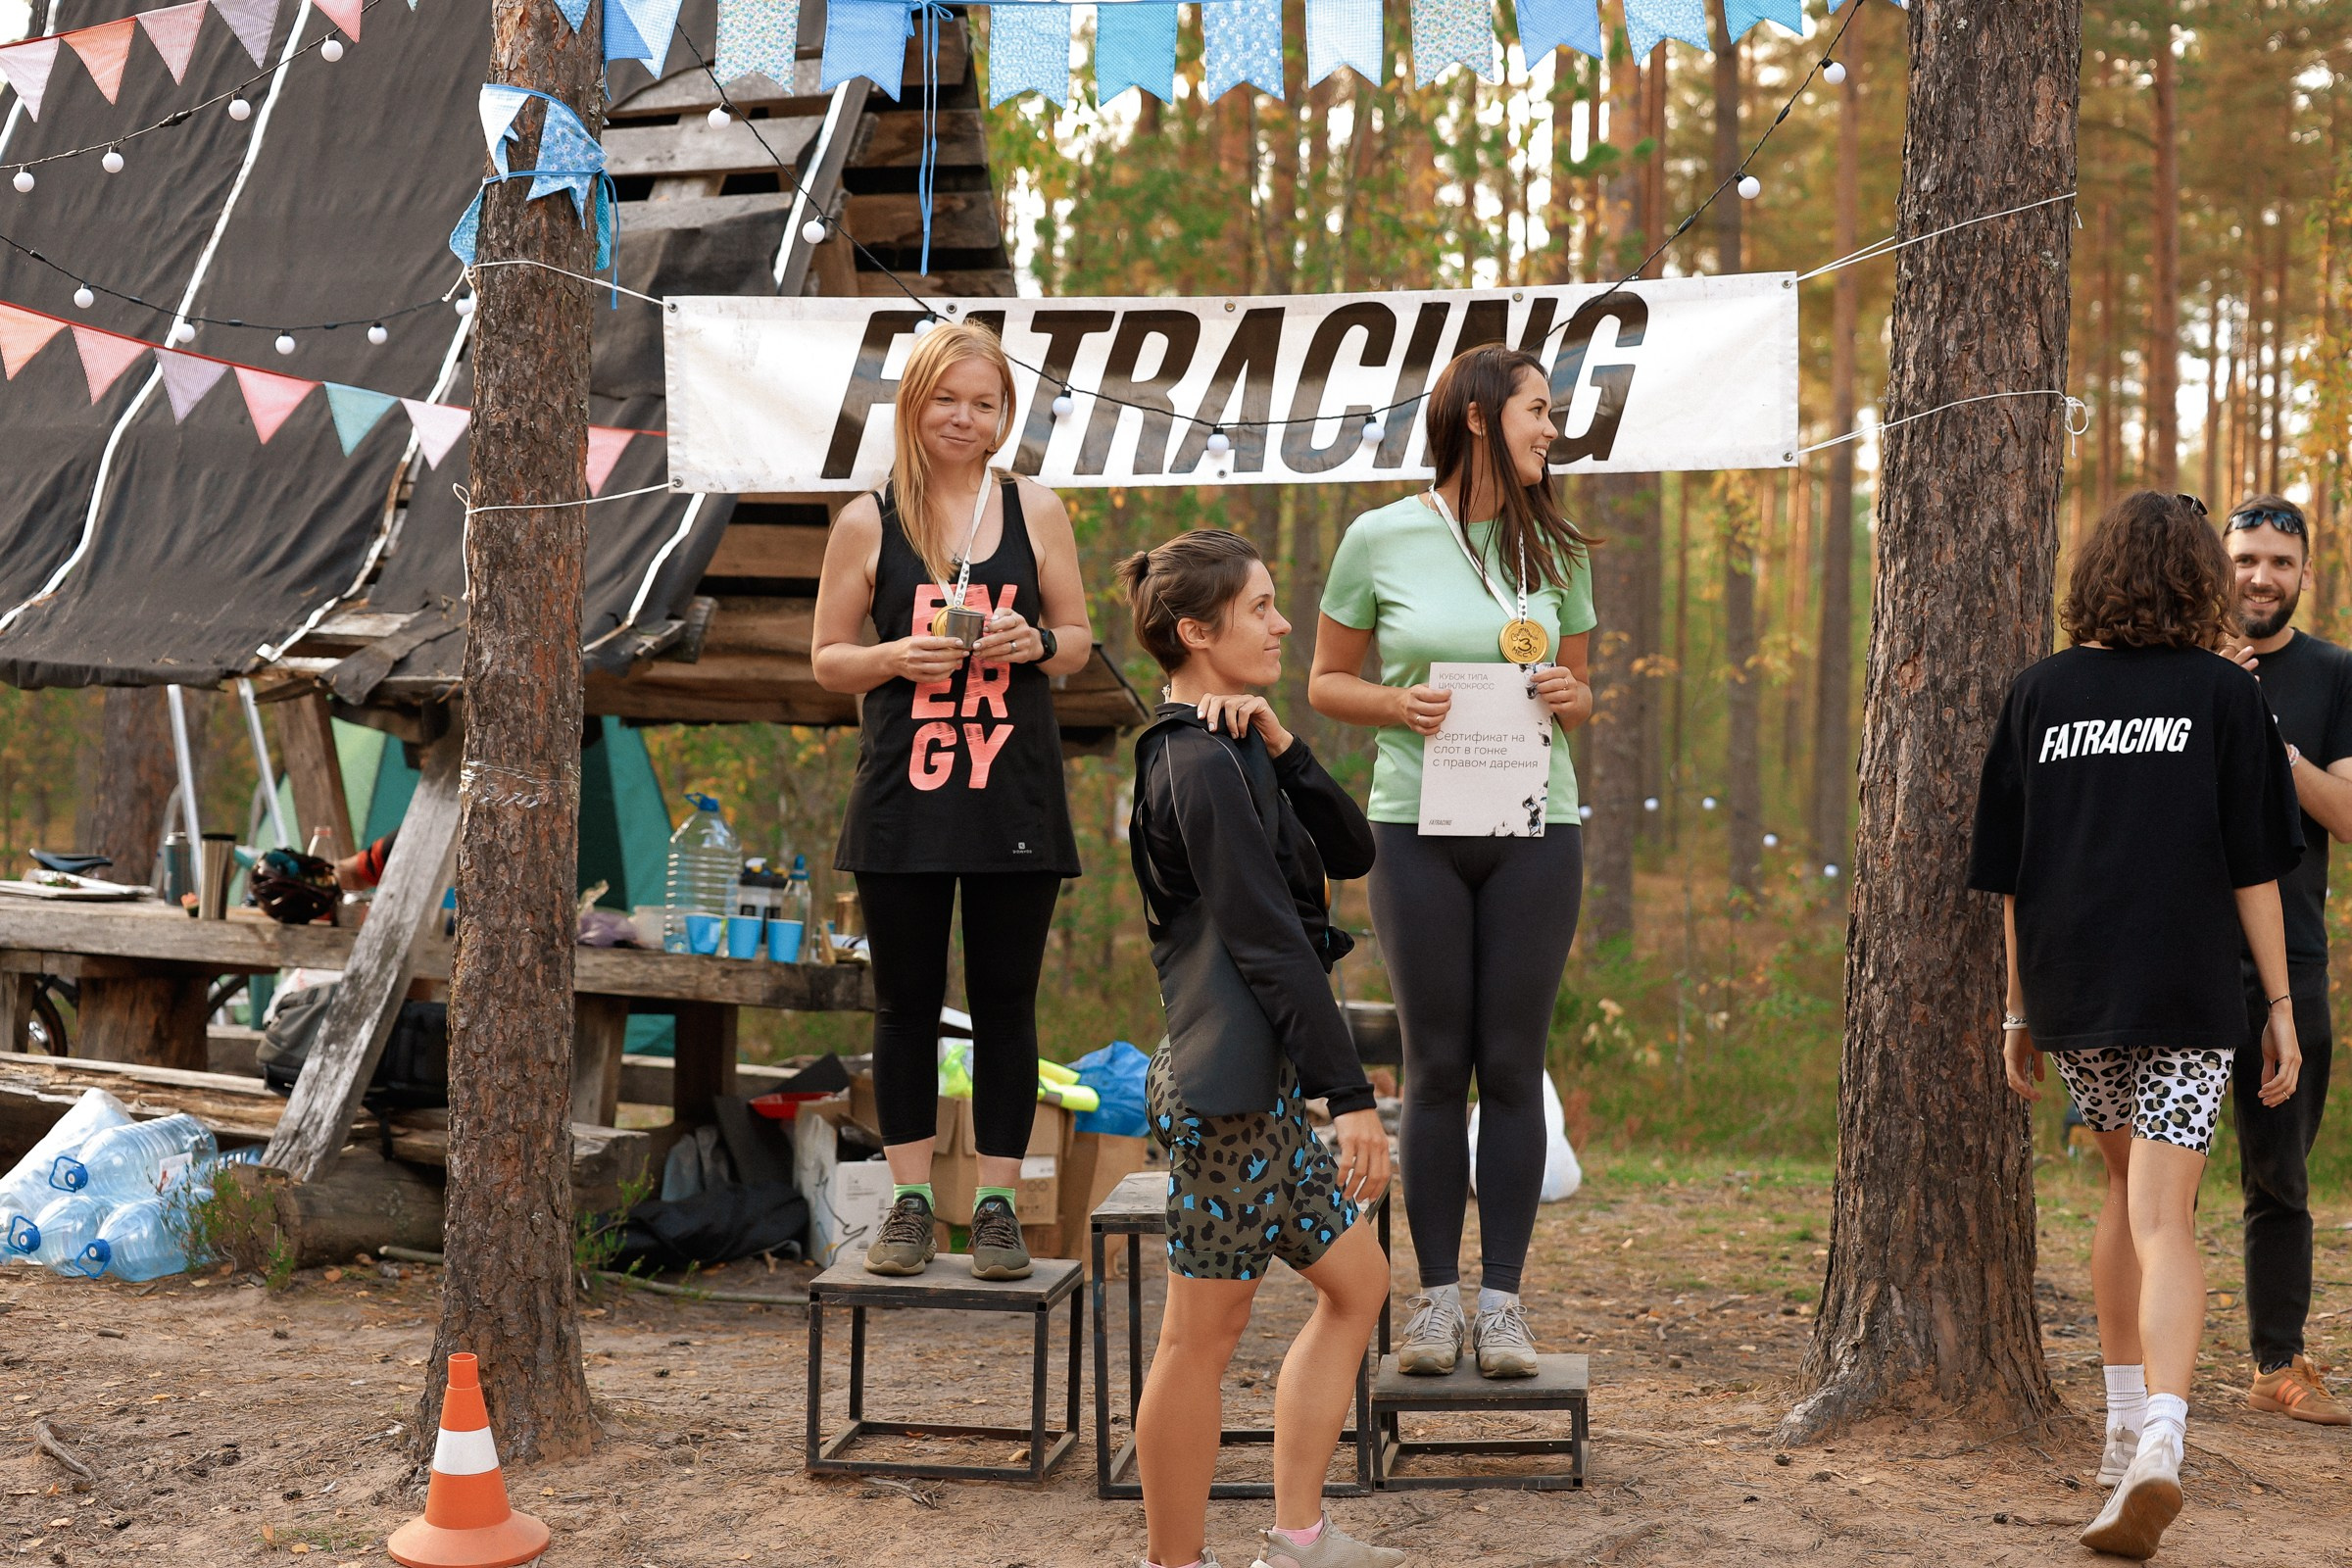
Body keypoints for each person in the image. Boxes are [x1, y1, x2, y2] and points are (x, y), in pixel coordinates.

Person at [1969, 491, 2304, 1561]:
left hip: (2079, 995)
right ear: (2200, 577)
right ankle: (2162, 1431)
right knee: (2168, 1215)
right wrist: (2282, 1006)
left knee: (2122, 1188)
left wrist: (2021, 1006)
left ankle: (2120, 1431)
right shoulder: (2224, 695)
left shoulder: (2038, 694)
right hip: (2188, 993)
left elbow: (2012, 879)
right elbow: (2257, 870)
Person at [1307, 343, 1595, 1379]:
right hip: (1415, 829)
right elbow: (1327, 682)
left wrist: (1573, 696)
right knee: (1435, 1069)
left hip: (1535, 827)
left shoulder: (1557, 545)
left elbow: (1581, 690)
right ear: (1478, 416)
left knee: (1512, 1066)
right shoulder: (1378, 536)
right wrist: (1400, 703)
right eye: (1538, 409)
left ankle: (1505, 1307)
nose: (1551, 429)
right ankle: (1434, 1307)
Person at [1120, 530, 1402, 1568]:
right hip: (1226, 1103)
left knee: (1358, 1284)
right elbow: (1267, 939)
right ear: (1197, 631)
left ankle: (1297, 1538)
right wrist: (1352, 1093)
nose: (1285, 624)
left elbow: (1351, 849)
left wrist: (1285, 743)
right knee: (1201, 1339)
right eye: (1263, 609)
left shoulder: (1237, 740)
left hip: (1264, 1094)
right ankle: (1174, 1562)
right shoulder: (1189, 763)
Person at [811, 320, 1093, 1281]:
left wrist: (1036, 645)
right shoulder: (869, 519)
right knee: (906, 1006)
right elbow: (826, 658)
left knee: (1007, 1002)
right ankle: (909, 1204)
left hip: (1013, 789)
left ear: (1003, 412)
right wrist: (894, 656)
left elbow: (1080, 637)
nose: (965, 419)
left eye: (983, 403)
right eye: (947, 400)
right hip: (905, 794)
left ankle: (1000, 1206)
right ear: (914, 405)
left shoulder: (1035, 509)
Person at [2223, 494, 2350, 1426]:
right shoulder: (2181, 666)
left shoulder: (2336, 675)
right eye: (2246, 559)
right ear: (2221, 566)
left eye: (2279, 562)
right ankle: (2142, 1373)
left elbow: (2345, 814)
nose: (2261, 577)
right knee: (2153, 1176)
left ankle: (2278, 1364)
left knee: (2281, 1177)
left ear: (2303, 574)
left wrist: (2268, 736)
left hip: (2293, 961)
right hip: (2178, 956)